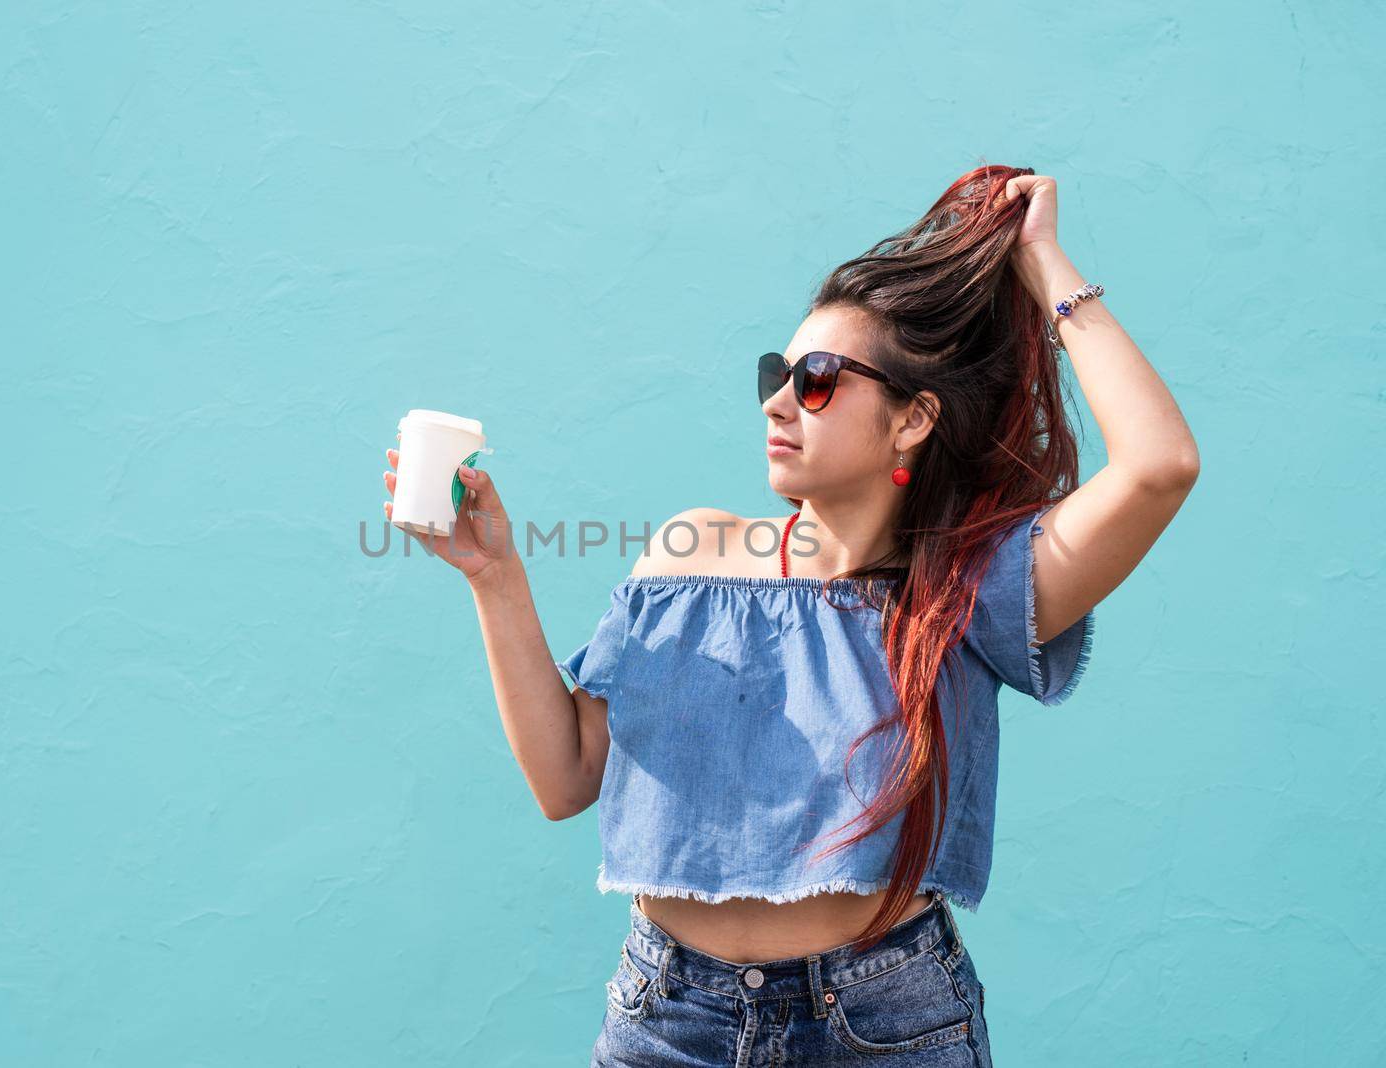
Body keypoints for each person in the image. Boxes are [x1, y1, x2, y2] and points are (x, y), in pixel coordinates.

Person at [382, 166, 1199, 1066]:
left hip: (885, 1024)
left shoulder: (968, 587)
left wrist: (1043, 263)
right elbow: (566, 779)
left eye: (816, 379)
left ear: (913, 420)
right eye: (777, 374)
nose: (777, 399)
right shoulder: (688, 554)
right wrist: (494, 577)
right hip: (667, 1019)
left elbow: (1160, 465)